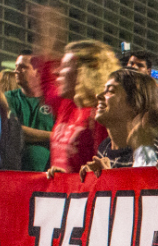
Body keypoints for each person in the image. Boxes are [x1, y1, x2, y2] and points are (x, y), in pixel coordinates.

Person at [34, 25, 117, 174]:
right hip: (62, 194)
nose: (57, 71)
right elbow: (46, 83)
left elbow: (105, 170)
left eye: (64, 66)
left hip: (84, 196)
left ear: (83, 72)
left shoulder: (101, 114)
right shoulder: (66, 106)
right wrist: (48, 39)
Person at [82, 68, 158, 172]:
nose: (99, 96)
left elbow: (145, 186)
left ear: (135, 104)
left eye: (110, 91)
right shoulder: (105, 147)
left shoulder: (151, 151)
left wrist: (108, 177)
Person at [8, 50, 55, 171]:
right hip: (16, 174)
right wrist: (54, 136)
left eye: (23, 67)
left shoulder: (54, 101)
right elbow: (15, 131)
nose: (16, 71)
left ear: (38, 72)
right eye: (16, 66)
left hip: (49, 177)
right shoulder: (8, 98)